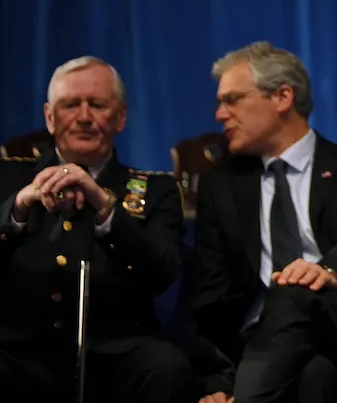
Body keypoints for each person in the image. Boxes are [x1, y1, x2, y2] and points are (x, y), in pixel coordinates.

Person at [191, 41, 337, 403]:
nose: (220, 115)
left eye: (232, 100)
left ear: (283, 97)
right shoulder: (220, 187)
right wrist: (216, 380)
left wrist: (327, 270)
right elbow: (210, 294)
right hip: (265, 345)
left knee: (293, 291)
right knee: (314, 376)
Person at [0, 56, 193, 402]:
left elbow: (162, 273)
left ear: (120, 117)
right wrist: (17, 209)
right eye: (71, 105)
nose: (85, 117)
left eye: (98, 105)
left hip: (114, 351)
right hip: (21, 350)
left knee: (167, 366)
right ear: (49, 117)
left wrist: (105, 207)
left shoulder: (156, 189)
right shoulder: (9, 178)